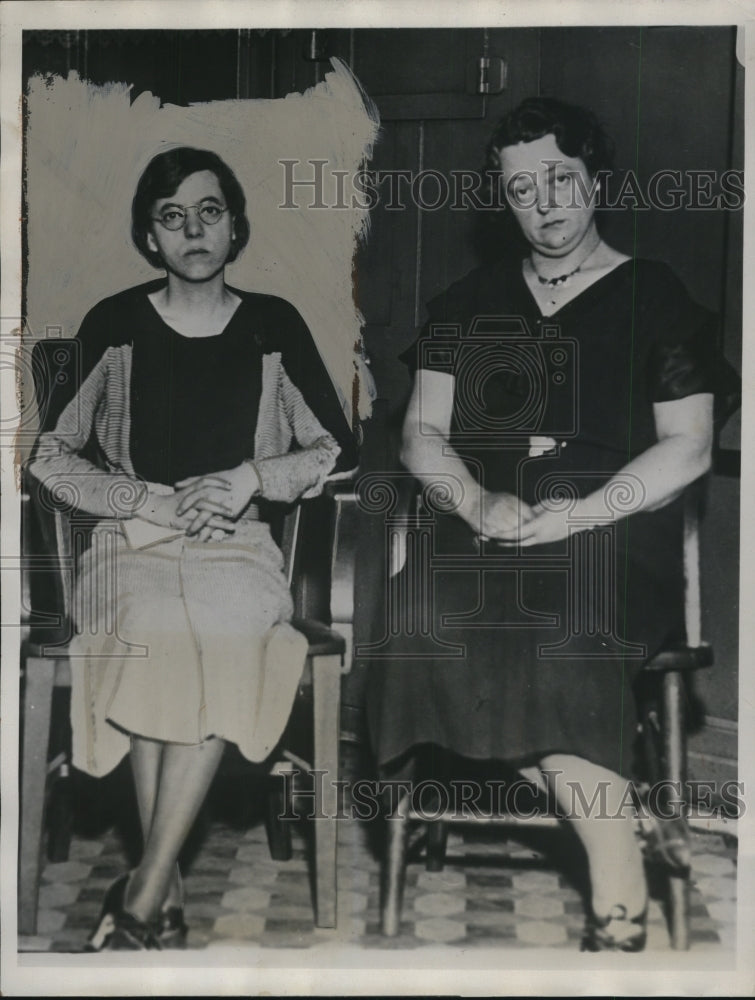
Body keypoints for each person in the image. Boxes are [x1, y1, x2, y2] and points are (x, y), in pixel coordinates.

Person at [367, 97, 718, 951]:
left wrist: (580, 516)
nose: (545, 202)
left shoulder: (654, 293)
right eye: (521, 189)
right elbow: (421, 435)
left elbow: (689, 448)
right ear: (504, 201)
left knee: (557, 629)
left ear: (595, 178)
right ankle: (619, 831)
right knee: (421, 618)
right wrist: (477, 501)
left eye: (561, 177)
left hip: (611, 534)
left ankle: (613, 883)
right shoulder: (467, 300)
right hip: (491, 531)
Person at [30, 146, 355, 950]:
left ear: (235, 226)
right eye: (172, 217)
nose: (193, 230)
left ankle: (144, 894)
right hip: (130, 542)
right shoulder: (115, 323)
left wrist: (250, 477)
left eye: (209, 212)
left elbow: (336, 451)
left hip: (235, 546)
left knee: (230, 632)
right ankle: (155, 895)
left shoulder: (272, 324)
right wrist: (144, 497)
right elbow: (49, 455)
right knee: (151, 632)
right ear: (151, 238)